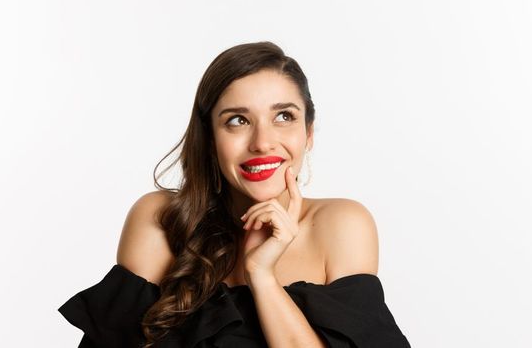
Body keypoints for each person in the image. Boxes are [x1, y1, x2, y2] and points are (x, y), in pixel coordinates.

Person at [58, 41, 410, 348]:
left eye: (284, 116)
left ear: (309, 133)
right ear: (210, 140)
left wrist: (262, 275)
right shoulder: (160, 219)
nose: (262, 143)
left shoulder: (341, 225)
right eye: (238, 120)